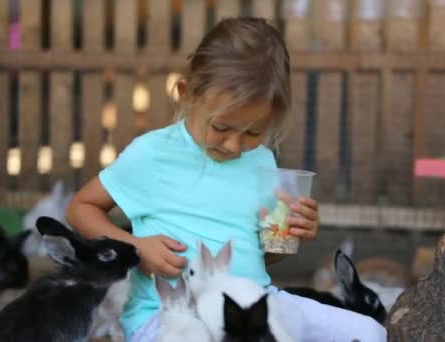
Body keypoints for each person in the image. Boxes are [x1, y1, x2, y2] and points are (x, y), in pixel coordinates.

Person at [66, 17, 387, 342]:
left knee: (370, 332)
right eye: (220, 127)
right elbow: (81, 207)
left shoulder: (261, 160)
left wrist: (289, 235)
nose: (235, 144)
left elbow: (261, 256)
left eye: (253, 132)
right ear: (186, 94)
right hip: (172, 316)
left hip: (255, 305)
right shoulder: (154, 153)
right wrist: (135, 248)